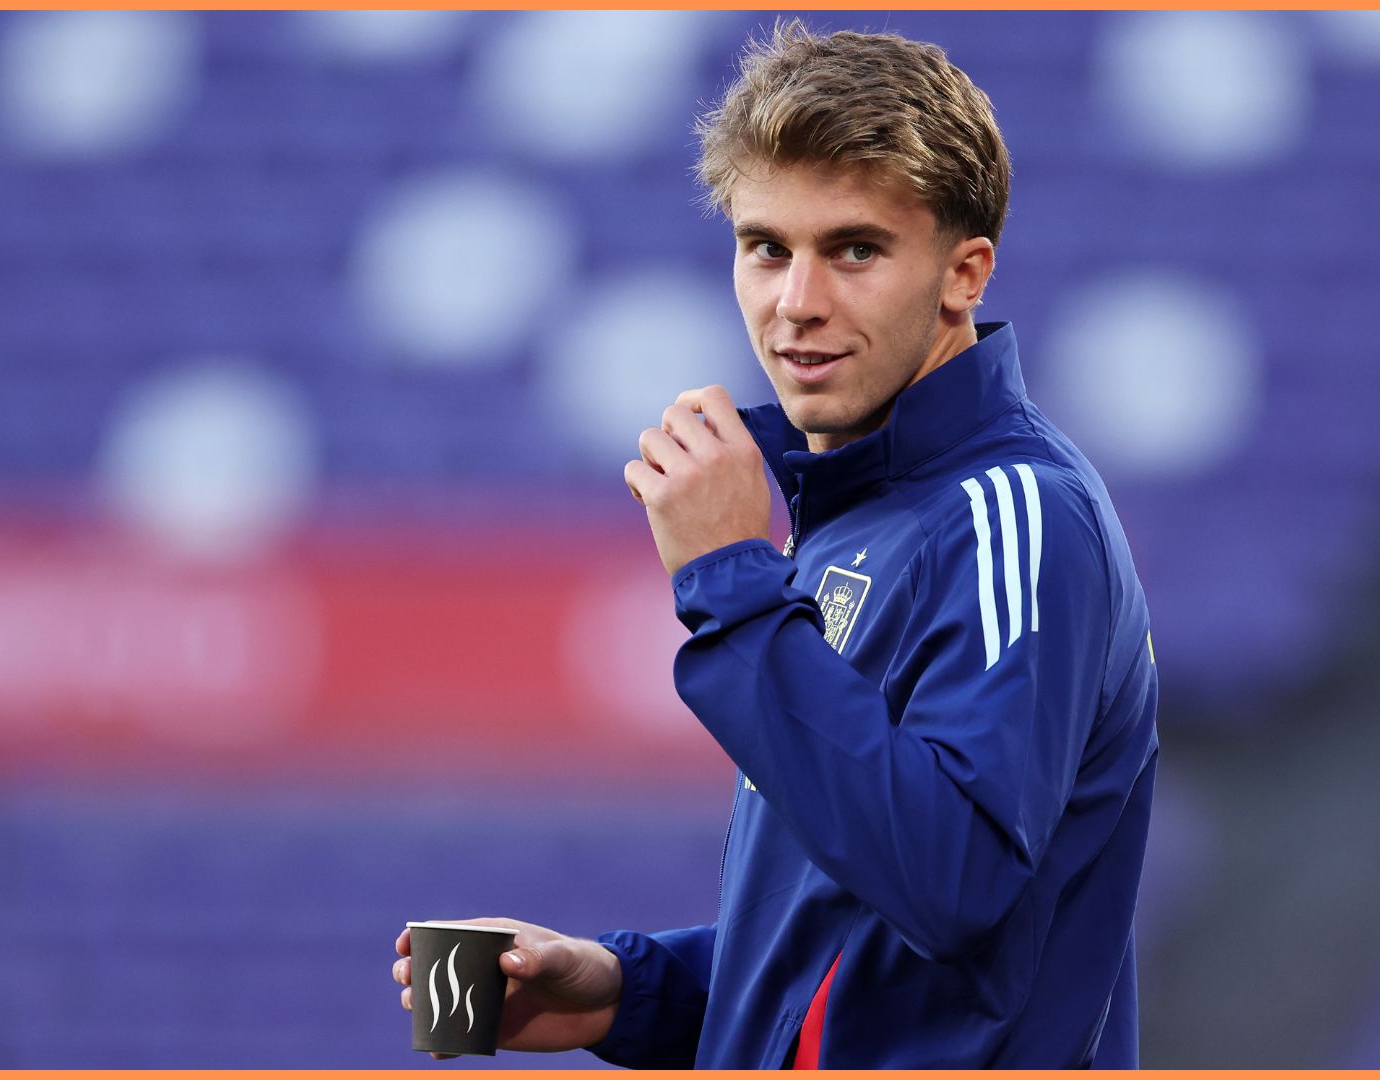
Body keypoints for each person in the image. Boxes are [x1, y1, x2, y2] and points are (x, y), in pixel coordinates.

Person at [394, 20, 1158, 1068]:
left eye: (854, 250)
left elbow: (957, 885)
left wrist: (730, 581)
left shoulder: (1015, 518)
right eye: (767, 248)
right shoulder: (855, 511)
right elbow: (857, 944)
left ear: (964, 274)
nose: (797, 304)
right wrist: (624, 992)